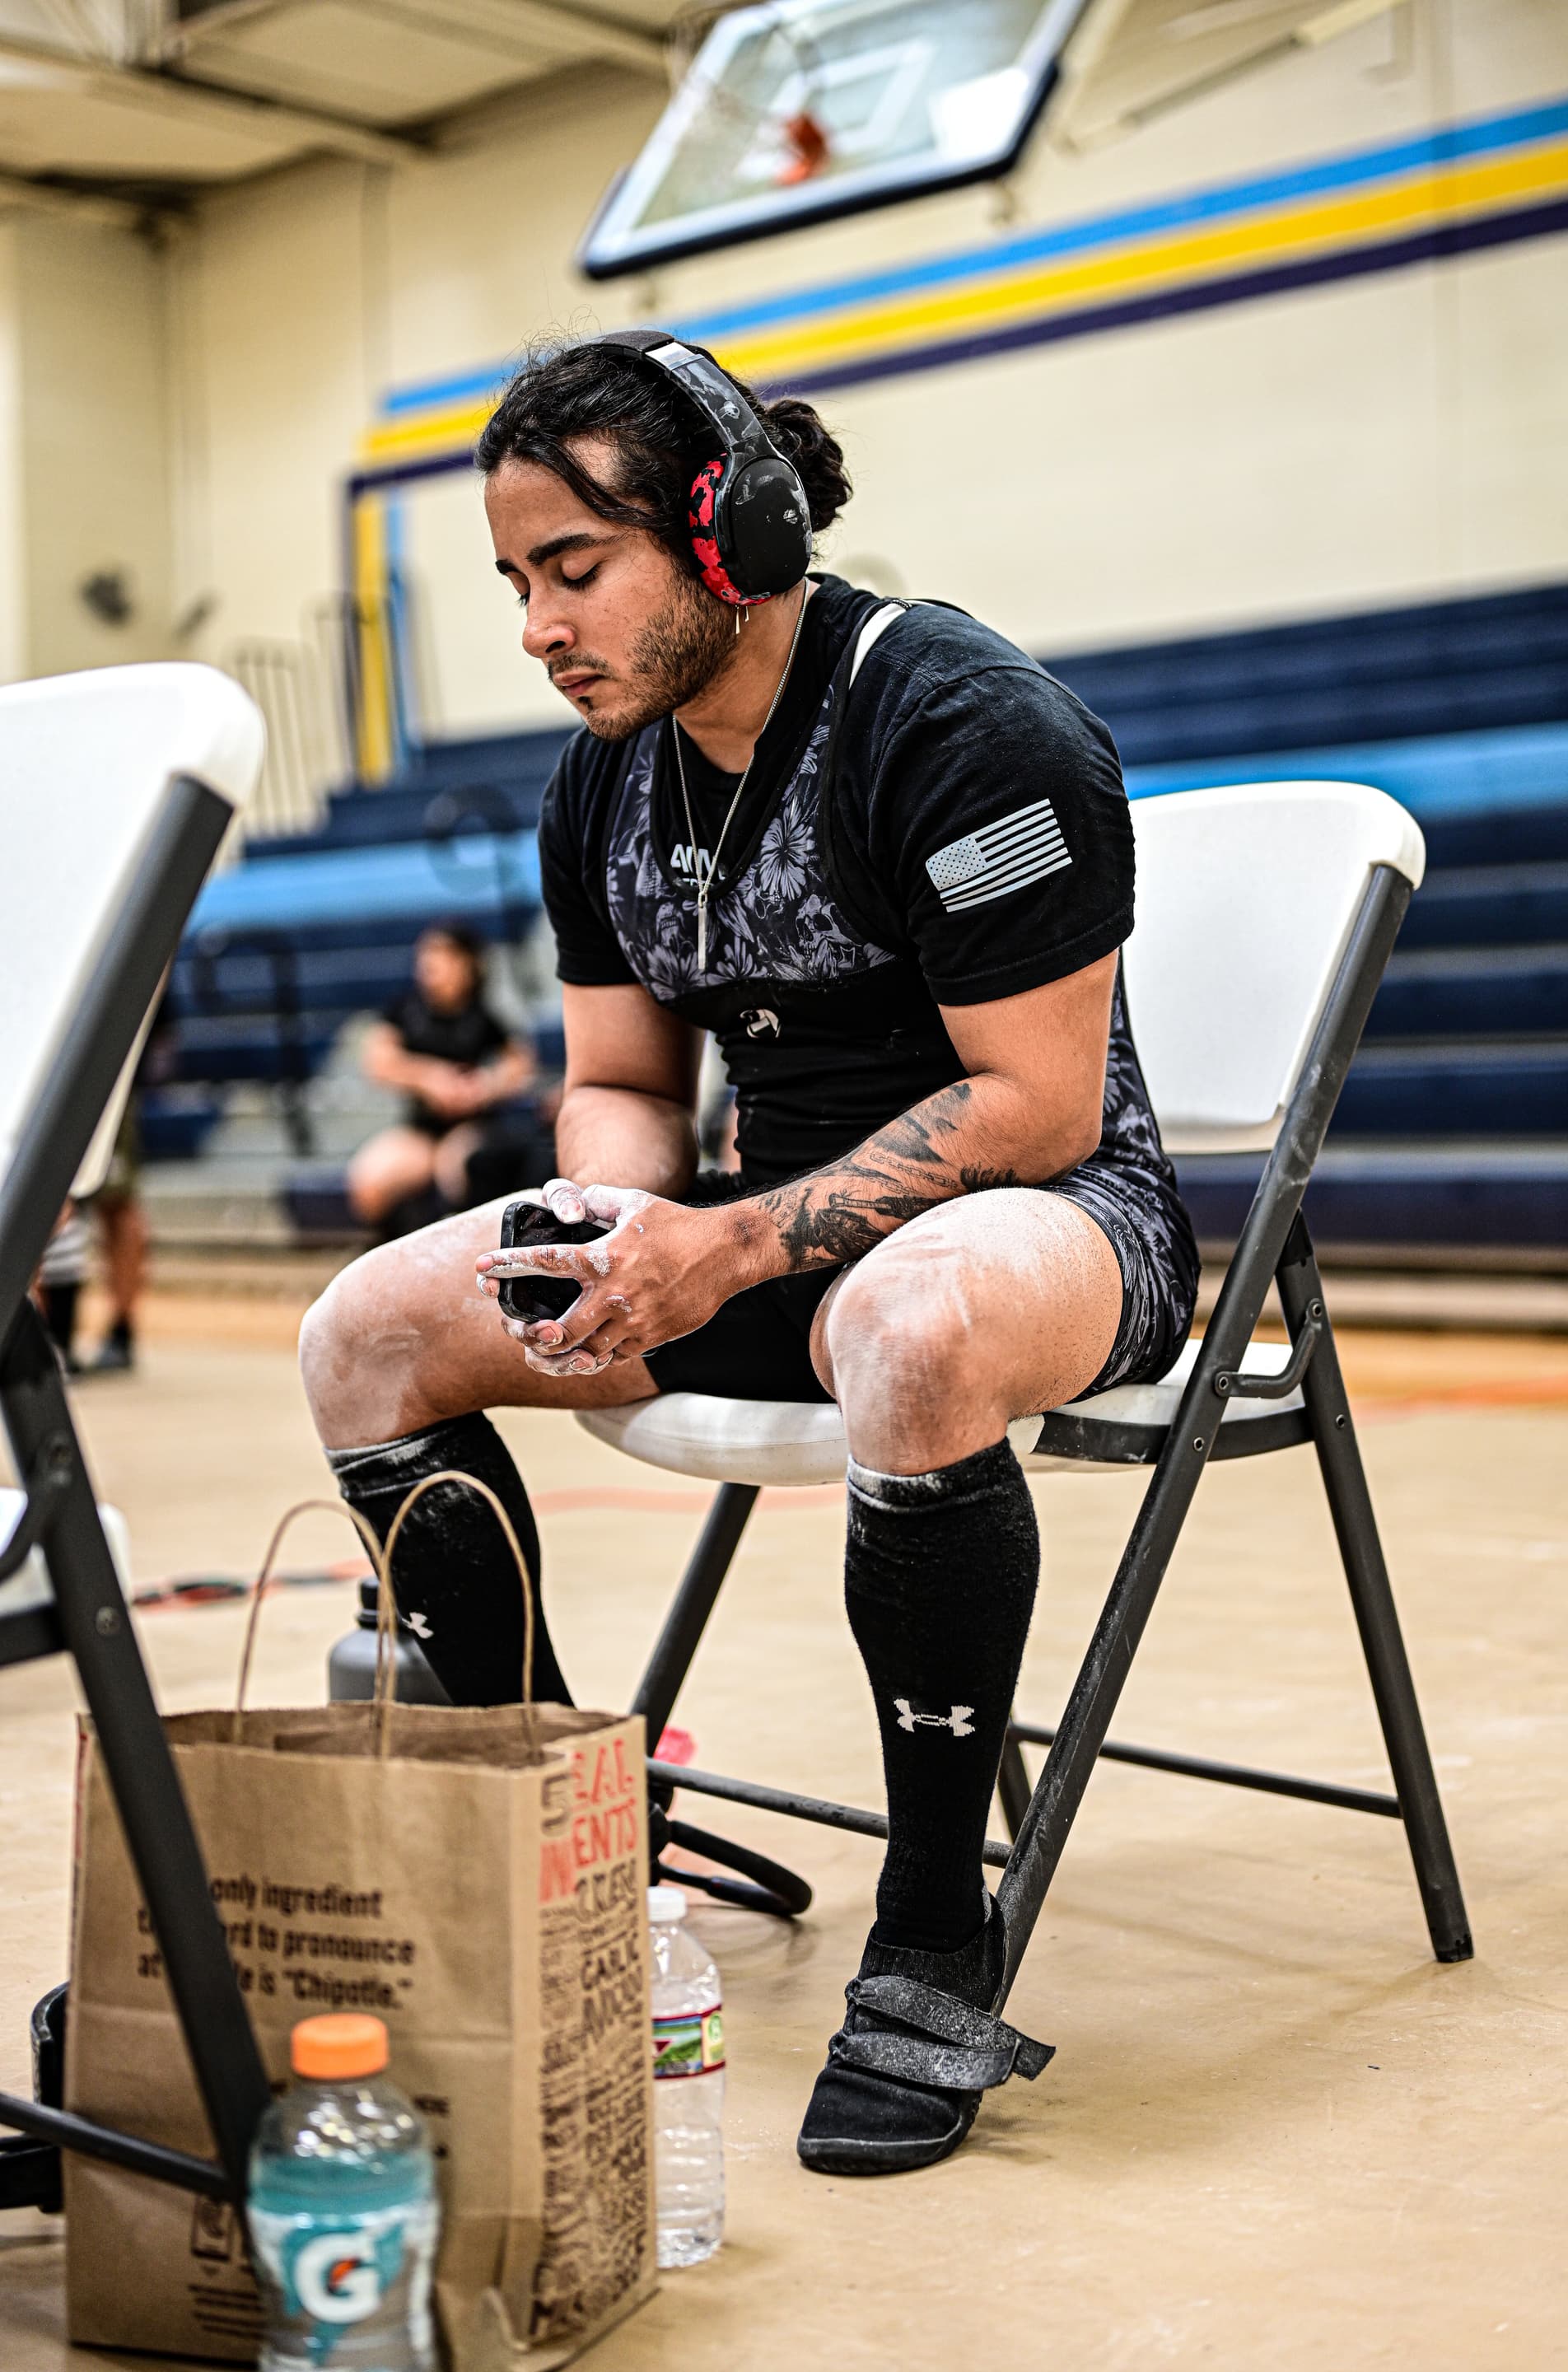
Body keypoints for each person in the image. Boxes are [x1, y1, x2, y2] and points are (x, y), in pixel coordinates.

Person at [300, 334, 1199, 2178]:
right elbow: (623, 1078)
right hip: (750, 1240)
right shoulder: (599, 780)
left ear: (732, 535)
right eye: (515, 583)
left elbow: (1029, 1106)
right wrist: (612, 1223)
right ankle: (554, 1848)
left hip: (1052, 1229)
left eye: (576, 569)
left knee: (915, 1318)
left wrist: (711, 1244)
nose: (540, 628)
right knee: (368, 1328)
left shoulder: (959, 719)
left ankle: (937, 1935)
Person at [347, 922, 536, 1233]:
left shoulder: (483, 1015)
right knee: (369, 1180)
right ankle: (391, 1250)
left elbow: (519, 1063)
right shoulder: (406, 1010)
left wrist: (485, 1086)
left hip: (472, 1126)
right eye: (425, 957)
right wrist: (429, 1078)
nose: (428, 966)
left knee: (461, 1171)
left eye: (441, 956)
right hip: (422, 1129)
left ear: (467, 964)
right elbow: (378, 1060)